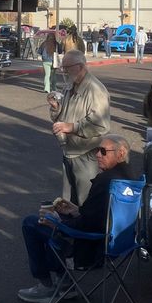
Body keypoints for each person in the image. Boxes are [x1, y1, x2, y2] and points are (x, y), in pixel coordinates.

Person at [17, 134, 133, 303]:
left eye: (103, 151)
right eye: (96, 150)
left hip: (92, 246)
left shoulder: (106, 181)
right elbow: (99, 214)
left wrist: (58, 221)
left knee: (32, 223)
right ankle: (62, 281)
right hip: (119, 242)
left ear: (121, 153)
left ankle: (49, 285)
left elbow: (88, 224)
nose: (97, 155)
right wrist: (75, 210)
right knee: (59, 218)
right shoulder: (130, 179)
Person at [48, 50, 112, 205]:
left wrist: (71, 127)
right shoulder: (71, 85)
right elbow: (63, 115)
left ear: (81, 66)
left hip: (86, 155)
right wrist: (56, 107)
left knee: (86, 202)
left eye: (67, 67)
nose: (63, 71)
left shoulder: (95, 90)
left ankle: (83, 228)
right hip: (69, 152)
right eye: (62, 67)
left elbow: (100, 125)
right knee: (68, 202)